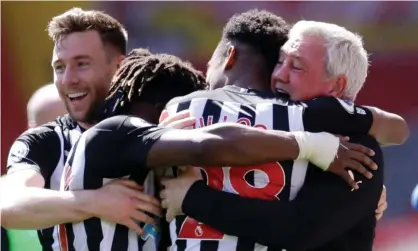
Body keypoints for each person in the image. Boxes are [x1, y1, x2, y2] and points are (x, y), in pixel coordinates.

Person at [58, 51, 377, 251]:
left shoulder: (132, 171)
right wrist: (311, 145)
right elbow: (209, 146)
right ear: (161, 112)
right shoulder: (116, 133)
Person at [159, 10, 408, 251]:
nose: (280, 75)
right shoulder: (271, 123)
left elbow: (299, 228)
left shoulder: (355, 149)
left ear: (337, 86)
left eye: (296, 67)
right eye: (279, 62)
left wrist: (193, 198)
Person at [0, 8, 159, 251]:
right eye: (60, 67)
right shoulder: (45, 140)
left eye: (81, 64)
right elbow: (9, 204)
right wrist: (97, 202)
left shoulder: (158, 131)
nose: (67, 80)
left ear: (119, 67)